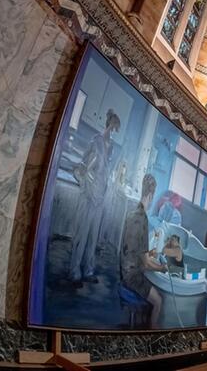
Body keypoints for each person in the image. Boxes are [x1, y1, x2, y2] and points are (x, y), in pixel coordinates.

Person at [68, 109, 120, 286]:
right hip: (89, 195)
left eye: (115, 130)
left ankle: (88, 270)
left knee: (93, 236)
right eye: (113, 128)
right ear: (108, 125)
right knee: (82, 234)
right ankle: (74, 271)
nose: (113, 132)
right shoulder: (95, 141)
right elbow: (82, 166)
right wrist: (86, 188)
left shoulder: (111, 148)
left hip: (100, 197)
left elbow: (106, 172)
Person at [120, 173, 167, 328]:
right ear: (151, 195)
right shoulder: (143, 219)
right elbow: (146, 264)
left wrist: (151, 253)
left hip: (124, 269)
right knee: (159, 301)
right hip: (132, 276)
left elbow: (135, 248)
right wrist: (163, 268)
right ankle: (151, 334)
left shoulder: (132, 212)